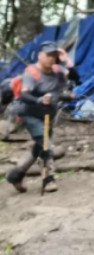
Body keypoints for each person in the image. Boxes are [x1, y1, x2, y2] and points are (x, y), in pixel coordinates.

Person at [6, 42, 77, 194]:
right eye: (48, 55)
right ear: (40, 55)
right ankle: (48, 179)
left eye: (54, 56)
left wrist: (67, 61)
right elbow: (24, 95)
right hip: (30, 114)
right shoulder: (32, 72)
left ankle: (16, 175)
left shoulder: (58, 71)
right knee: (45, 145)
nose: (51, 59)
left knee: (39, 147)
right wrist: (39, 100)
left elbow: (76, 78)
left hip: (47, 115)